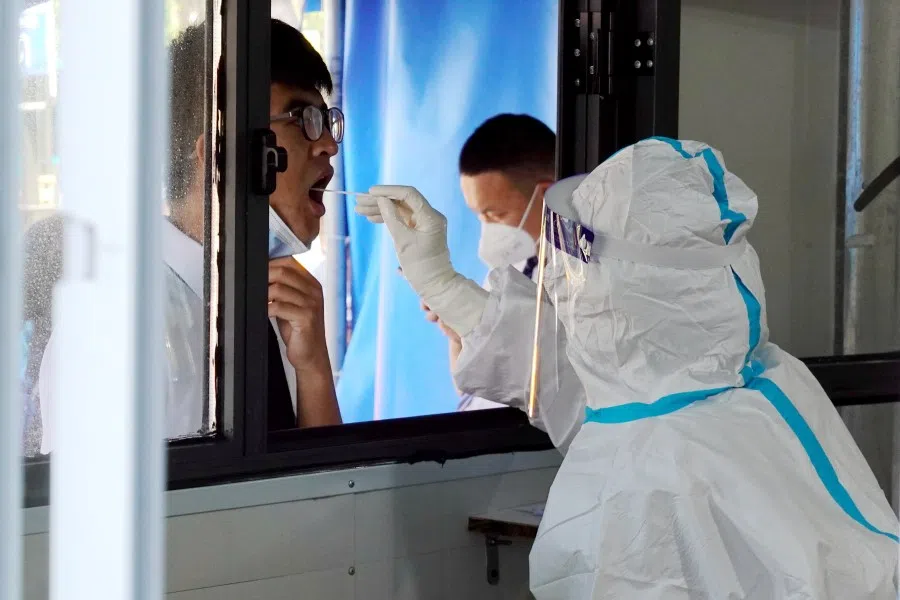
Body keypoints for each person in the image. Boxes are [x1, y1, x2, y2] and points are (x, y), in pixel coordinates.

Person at [356, 138, 899, 598]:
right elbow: (582, 377)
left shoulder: (649, 477)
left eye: (577, 278)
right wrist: (441, 282)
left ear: (616, 295)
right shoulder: (750, 385)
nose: (567, 292)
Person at [37, 20, 341, 453]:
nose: (328, 144)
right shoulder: (116, 320)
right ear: (220, 155)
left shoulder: (267, 297)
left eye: (328, 121)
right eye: (304, 120)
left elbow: (328, 493)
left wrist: (314, 370)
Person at [423, 114, 555, 411]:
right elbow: (471, 393)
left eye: (495, 215)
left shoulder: (584, 282)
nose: (487, 228)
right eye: (478, 215)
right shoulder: (509, 272)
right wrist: (459, 334)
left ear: (546, 195)